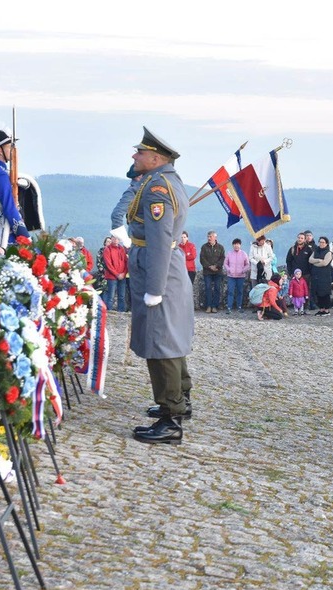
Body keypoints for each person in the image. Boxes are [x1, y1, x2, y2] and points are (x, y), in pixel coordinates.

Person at [126, 127, 194, 445]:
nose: (134, 156)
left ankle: (171, 419)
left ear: (155, 158)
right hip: (165, 266)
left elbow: (158, 238)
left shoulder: (157, 189)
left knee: (160, 342)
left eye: (140, 152)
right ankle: (181, 399)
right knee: (172, 337)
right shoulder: (168, 181)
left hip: (158, 270)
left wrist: (154, 288)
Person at [102, 235, 129, 311]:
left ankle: (121, 312)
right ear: (111, 239)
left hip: (122, 276)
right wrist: (117, 274)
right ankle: (109, 312)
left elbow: (126, 262)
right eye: (114, 238)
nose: (116, 239)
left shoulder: (122, 249)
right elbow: (108, 264)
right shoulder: (107, 249)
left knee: (122, 296)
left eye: (117, 238)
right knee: (111, 296)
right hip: (111, 277)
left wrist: (124, 273)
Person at [309, 236, 333, 316]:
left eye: (323, 242)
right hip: (316, 276)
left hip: (325, 276)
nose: (321, 244)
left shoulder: (328, 252)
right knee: (317, 292)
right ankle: (321, 309)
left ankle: (326, 310)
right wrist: (318, 260)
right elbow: (310, 260)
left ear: (326, 243)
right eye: (320, 242)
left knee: (325, 293)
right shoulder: (315, 251)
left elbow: (325, 263)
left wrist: (315, 263)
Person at [200, 231, 224, 313]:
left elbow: (222, 258)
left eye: (210, 236)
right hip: (207, 272)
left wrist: (216, 266)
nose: (209, 238)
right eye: (208, 236)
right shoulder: (204, 247)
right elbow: (202, 259)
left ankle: (214, 306)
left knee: (217, 288)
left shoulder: (220, 247)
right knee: (208, 288)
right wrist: (210, 266)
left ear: (215, 237)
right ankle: (208, 306)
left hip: (218, 272)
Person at [223, 238, 250, 314]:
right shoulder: (229, 254)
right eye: (235, 244)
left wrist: (242, 271)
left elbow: (247, 264)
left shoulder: (244, 254)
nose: (236, 246)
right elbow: (225, 263)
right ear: (233, 245)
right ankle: (229, 307)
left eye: (238, 244)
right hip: (231, 276)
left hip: (241, 276)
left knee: (240, 292)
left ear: (240, 245)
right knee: (230, 292)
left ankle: (239, 307)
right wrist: (229, 270)